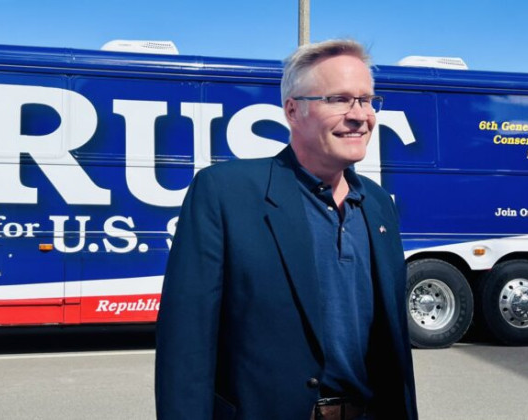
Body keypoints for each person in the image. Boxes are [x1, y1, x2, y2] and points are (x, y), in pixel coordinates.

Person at [155, 39, 417, 420]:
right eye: (339, 99)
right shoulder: (225, 192)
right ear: (293, 111)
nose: (360, 114)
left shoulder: (377, 204)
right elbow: (186, 344)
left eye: (366, 100)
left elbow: (393, 352)